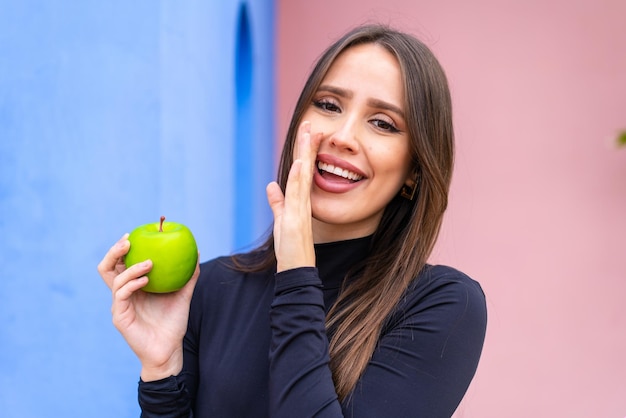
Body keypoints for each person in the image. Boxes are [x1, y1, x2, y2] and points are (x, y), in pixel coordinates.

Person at [98, 24, 487, 417]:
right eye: (329, 105)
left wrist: (298, 270)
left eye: (383, 123)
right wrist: (162, 371)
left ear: (414, 171)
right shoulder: (211, 289)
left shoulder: (441, 306)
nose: (343, 135)